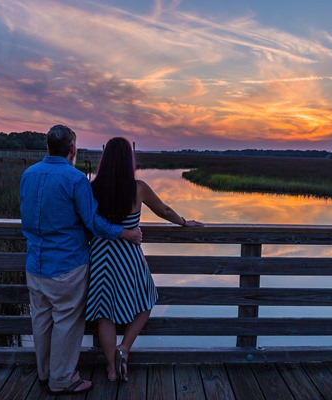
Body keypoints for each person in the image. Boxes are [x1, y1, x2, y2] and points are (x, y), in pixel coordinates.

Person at [20, 125, 142, 395]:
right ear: (73, 149)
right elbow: (93, 223)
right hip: (67, 264)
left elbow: (26, 217)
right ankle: (62, 379)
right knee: (66, 322)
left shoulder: (28, 175)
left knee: (41, 321)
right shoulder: (75, 180)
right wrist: (124, 232)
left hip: (34, 264)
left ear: (47, 145)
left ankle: (45, 373)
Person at [85, 137, 203, 382]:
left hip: (100, 256)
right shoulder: (137, 188)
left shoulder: (92, 187)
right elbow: (164, 210)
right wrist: (184, 222)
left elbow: (86, 221)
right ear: (129, 160)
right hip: (128, 257)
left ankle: (110, 369)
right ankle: (124, 349)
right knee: (147, 299)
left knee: (104, 313)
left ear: (105, 160)